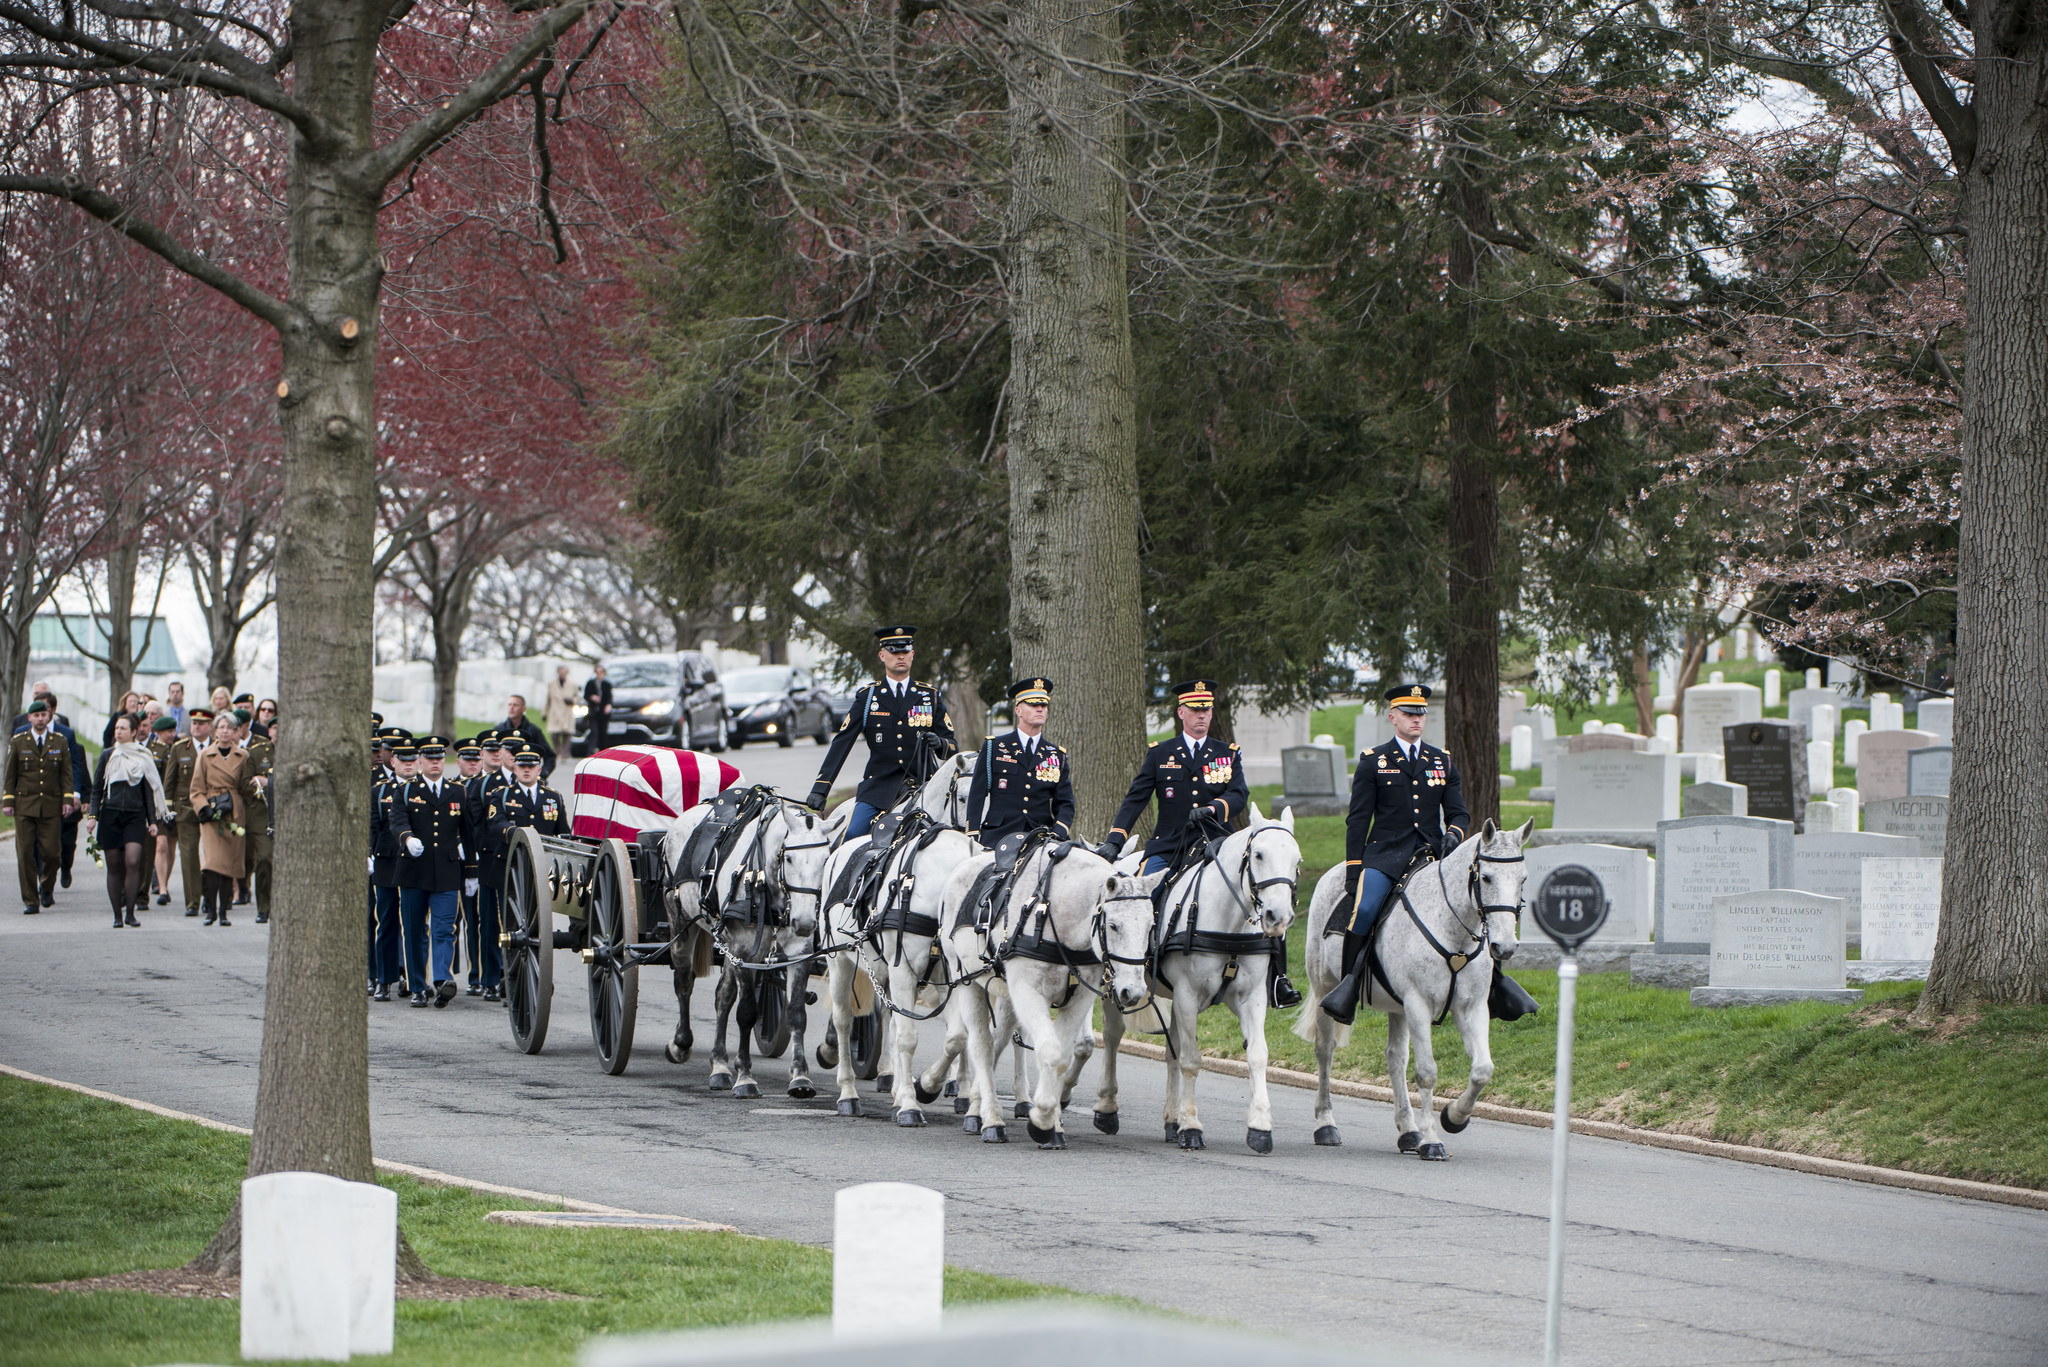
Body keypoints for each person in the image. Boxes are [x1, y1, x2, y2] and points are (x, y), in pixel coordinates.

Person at [1098, 678, 1299, 1008]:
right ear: (1181, 713)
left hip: (1214, 844)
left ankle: (1278, 978)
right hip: (1168, 846)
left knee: (1261, 896)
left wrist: (1213, 808)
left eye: (1207, 710)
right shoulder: (1161, 754)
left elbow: (1238, 794)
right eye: (1195, 710)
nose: (1202, 715)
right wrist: (1114, 841)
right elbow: (1135, 800)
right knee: (1144, 897)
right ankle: (1142, 967)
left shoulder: (1226, 753)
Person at [1319, 684, 1469, 1025]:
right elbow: (1358, 820)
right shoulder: (1374, 761)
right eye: (1409, 714)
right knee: (1366, 908)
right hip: (1385, 855)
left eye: (1421, 714)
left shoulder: (1441, 761)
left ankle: (1495, 986)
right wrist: (1355, 867)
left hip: (1430, 856)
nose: (1416, 719)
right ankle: (1348, 985)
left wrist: (1453, 835)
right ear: (1392, 717)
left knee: (1475, 905)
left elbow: (1459, 813)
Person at [805, 625, 955, 839]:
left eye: (905, 651)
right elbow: (842, 742)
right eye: (894, 651)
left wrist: (940, 743)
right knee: (851, 836)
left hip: (924, 787)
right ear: (882, 655)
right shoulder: (868, 698)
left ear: (912, 655)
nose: (900, 656)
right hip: (879, 789)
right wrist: (821, 788)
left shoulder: (929, 696)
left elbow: (952, 747)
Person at [964, 677, 1074, 848]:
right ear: (1018, 710)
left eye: (1044, 705)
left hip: (1041, 837)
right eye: (1033, 705)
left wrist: (1058, 832)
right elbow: (977, 794)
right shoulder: (995, 746)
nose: (1040, 709)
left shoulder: (1056, 755)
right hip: (998, 835)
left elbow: (1065, 803)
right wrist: (972, 834)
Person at [397, 735, 466, 1008]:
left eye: (439, 758)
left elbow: (467, 832)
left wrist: (470, 870)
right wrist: (406, 838)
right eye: (430, 758)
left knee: (443, 929)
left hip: (447, 871)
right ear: (420, 761)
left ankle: (441, 980)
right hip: (414, 872)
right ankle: (416, 985)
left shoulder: (457, 792)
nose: (435, 762)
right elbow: (397, 821)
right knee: (414, 931)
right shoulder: (406, 791)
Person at [87, 713, 171, 928]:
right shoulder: (108, 755)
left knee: (133, 861)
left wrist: (152, 821)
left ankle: (131, 913)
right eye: (117, 728)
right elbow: (97, 789)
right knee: (114, 865)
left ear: (134, 732)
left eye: (123, 728)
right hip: (111, 815)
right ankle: (117, 914)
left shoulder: (143, 756)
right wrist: (93, 816)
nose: (119, 731)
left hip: (135, 815)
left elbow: (148, 791)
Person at [4, 697, 76, 913]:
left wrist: (67, 800)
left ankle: (46, 886)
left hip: (51, 805)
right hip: (25, 805)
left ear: (49, 716)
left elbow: (67, 774)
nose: (40, 719)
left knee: (53, 854)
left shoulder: (59, 741)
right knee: (25, 853)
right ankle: (30, 901)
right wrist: (8, 800)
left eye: (43, 715)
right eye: (36, 715)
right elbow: (10, 774)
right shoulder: (18, 741)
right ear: (29, 718)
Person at [191, 708, 255, 926]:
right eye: (221, 727)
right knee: (211, 863)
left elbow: (245, 786)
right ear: (215, 731)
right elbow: (196, 789)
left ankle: (224, 910)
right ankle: (210, 908)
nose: (225, 731)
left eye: (229, 727)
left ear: (236, 731)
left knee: (230, 864)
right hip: (212, 811)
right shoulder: (204, 756)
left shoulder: (243, 756)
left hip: (234, 811)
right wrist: (202, 807)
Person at [460, 733, 511, 1000]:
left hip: (519, 862)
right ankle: (489, 977)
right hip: (490, 859)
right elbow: (474, 826)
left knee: (514, 924)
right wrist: (475, 859)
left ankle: (511, 975)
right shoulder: (483, 785)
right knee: (487, 922)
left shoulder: (532, 784)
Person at [368, 728, 411, 1000]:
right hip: (384, 861)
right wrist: (368, 853)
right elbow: (371, 825)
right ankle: (382, 978)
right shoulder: (379, 790)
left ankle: (410, 975)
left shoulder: (417, 788)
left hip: (411, 863)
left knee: (413, 924)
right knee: (385, 921)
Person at [164, 708, 211, 917]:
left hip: (212, 808)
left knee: (213, 856)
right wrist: (169, 811)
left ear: (210, 726)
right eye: (194, 723)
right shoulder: (179, 749)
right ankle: (192, 901)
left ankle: (213, 896)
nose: (197, 726)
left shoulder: (218, 748)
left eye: (201, 723)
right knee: (189, 856)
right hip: (185, 809)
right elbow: (170, 782)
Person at [243, 711, 274, 923]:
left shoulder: (296, 751)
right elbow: (246, 782)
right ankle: (263, 907)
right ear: (269, 731)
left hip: (290, 814)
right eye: (274, 728)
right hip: (263, 814)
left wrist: (270, 782)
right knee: (263, 859)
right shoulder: (256, 753)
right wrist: (258, 784)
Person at [148, 715, 178, 903]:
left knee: (172, 847)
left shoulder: (177, 749)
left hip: (174, 804)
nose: (172, 735)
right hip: (157, 804)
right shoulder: (151, 751)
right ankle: (162, 889)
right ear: (158, 732)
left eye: (173, 731)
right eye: (168, 732)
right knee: (161, 845)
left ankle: (163, 881)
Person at [499, 694, 554, 779]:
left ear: (523, 709)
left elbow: (550, 756)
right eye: (509, 705)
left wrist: (541, 775)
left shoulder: (533, 730)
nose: (511, 708)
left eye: (515, 705)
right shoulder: (500, 730)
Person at [544, 666, 577, 758]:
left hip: (566, 711)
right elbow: (548, 699)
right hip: (555, 711)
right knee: (554, 733)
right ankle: (557, 750)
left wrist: (572, 700)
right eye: (560, 672)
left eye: (564, 672)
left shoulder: (572, 684)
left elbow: (577, 697)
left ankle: (565, 753)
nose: (562, 674)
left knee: (567, 734)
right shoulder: (552, 684)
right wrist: (545, 712)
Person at [581, 663, 613, 752]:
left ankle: (603, 750)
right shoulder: (590, 683)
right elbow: (586, 695)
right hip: (593, 711)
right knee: (594, 732)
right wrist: (592, 697)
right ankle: (591, 750)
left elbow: (609, 697)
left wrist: (608, 705)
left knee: (603, 732)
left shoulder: (606, 684)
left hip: (603, 712)